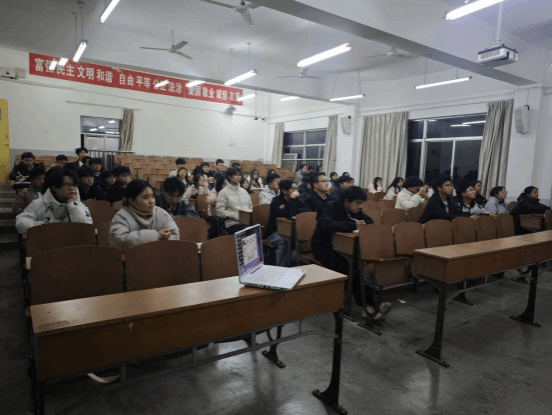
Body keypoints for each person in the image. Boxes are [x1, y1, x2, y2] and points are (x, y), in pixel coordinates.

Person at [16, 168, 92, 233]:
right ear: (54, 188)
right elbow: (21, 223)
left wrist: (72, 205)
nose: (72, 188)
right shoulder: (39, 203)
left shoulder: (79, 205)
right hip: (46, 242)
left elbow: (86, 228)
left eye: (74, 184)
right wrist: (47, 225)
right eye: (67, 185)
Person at [109, 180, 179, 251]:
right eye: (146, 197)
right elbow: (120, 241)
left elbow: (174, 235)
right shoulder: (122, 217)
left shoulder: (161, 213)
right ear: (131, 201)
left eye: (152, 196)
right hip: (134, 256)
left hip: (159, 255)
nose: (151, 201)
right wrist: (156, 235)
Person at [266, 179, 310, 267]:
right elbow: (288, 214)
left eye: (296, 188)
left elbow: (307, 210)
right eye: (292, 188)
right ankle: (282, 268)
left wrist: (292, 207)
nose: (295, 191)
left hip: (290, 231)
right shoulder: (276, 201)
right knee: (284, 242)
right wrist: (291, 201)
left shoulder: (296, 200)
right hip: (274, 232)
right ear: (284, 191)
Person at [216, 167, 253, 235]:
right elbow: (220, 212)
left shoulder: (244, 191)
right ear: (229, 177)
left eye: (239, 175)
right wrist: (236, 215)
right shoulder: (223, 193)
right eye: (236, 175)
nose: (238, 177)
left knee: (257, 230)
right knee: (247, 233)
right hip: (232, 224)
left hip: (246, 222)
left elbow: (250, 206)